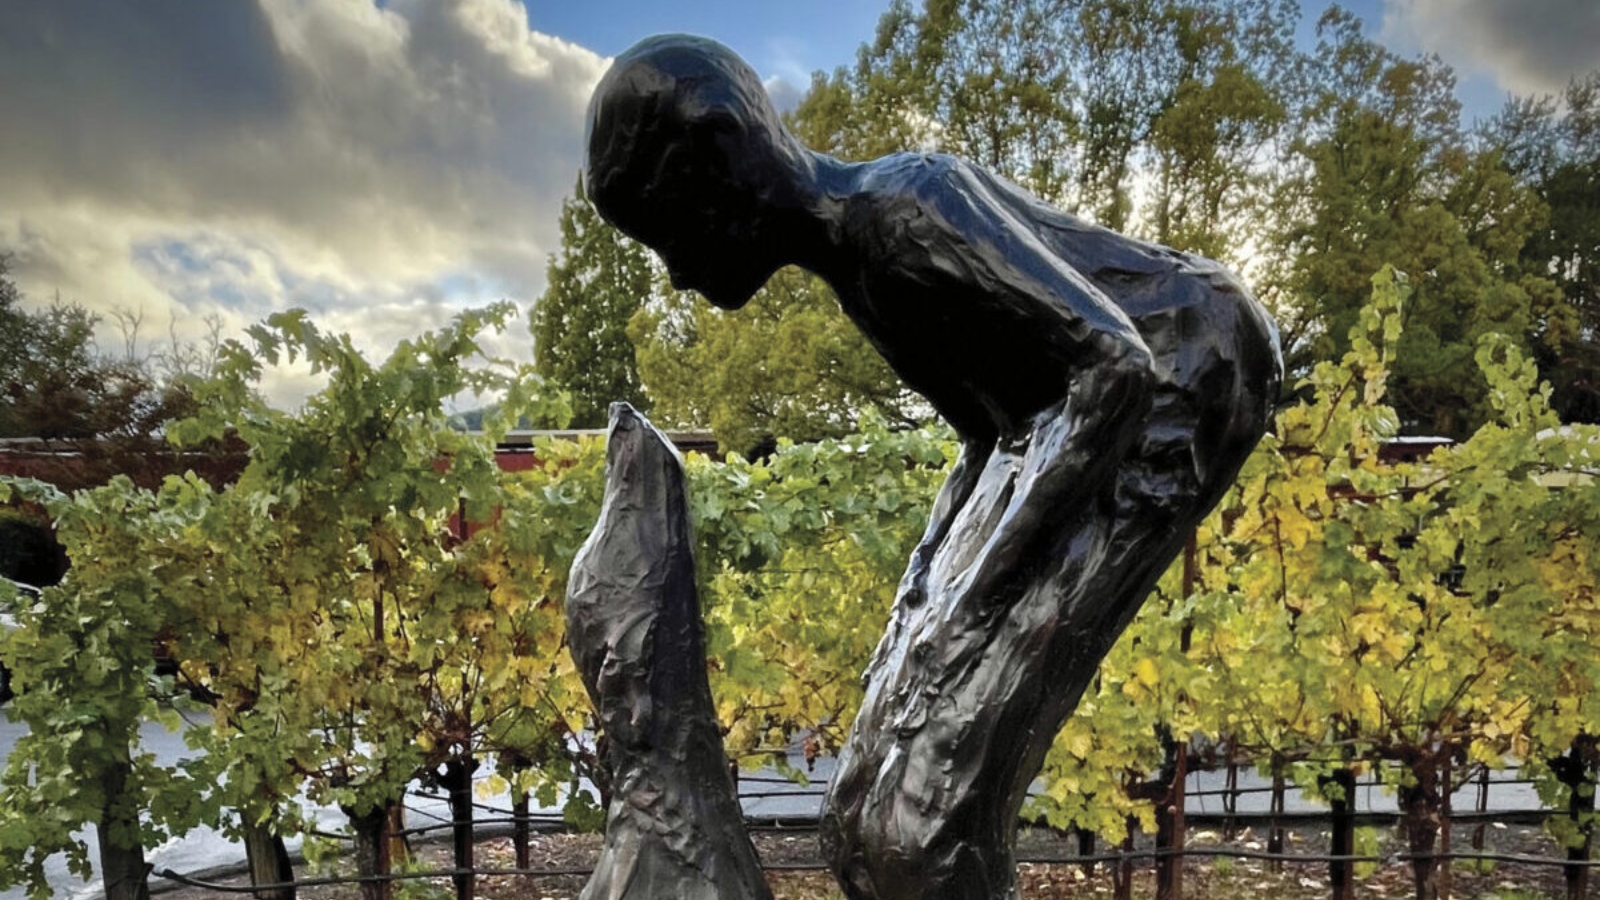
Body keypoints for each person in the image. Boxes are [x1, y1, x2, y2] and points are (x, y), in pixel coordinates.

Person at [584, 34, 1282, 900]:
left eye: (671, 234)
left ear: (726, 154)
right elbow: (985, 432)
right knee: (857, 813)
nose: (678, 274)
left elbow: (1114, 367)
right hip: (1082, 408)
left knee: (920, 827)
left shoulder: (905, 210)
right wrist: (924, 589)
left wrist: (970, 604)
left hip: (1189, 375)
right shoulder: (859, 265)